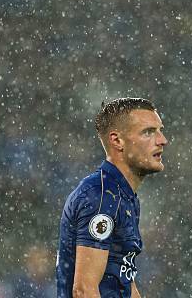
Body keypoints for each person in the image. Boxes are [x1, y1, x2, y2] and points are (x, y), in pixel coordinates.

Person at [56, 98, 168, 298]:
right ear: (117, 141)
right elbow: (84, 290)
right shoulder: (100, 197)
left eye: (160, 130)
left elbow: (125, 281)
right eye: (149, 132)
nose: (162, 140)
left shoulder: (123, 196)